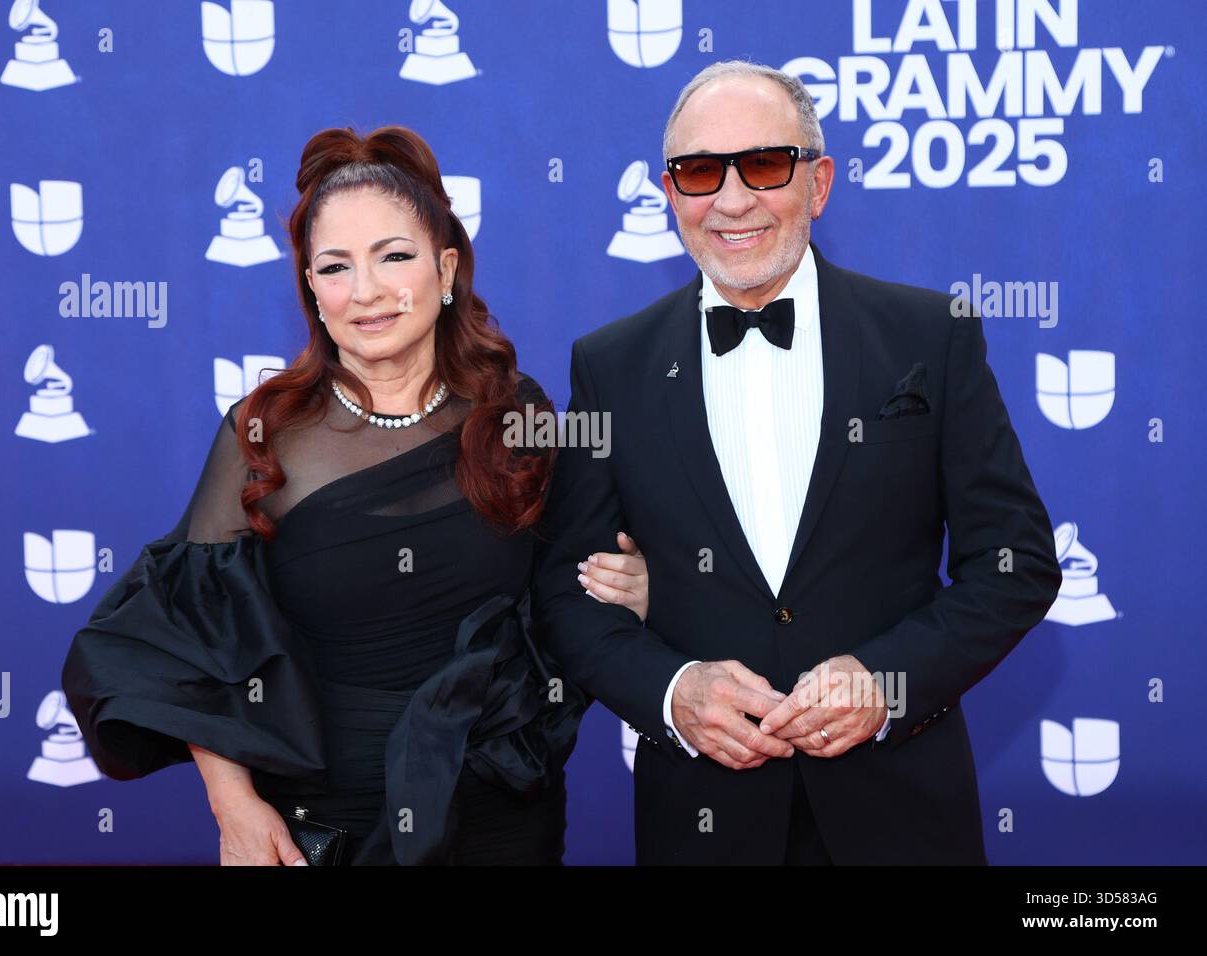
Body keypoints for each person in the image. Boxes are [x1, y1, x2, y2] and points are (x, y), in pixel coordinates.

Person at [61, 125, 650, 866]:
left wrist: (632, 586)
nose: (365, 292)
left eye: (393, 257)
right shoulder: (262, 435)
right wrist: (234, 806)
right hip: (321, 820)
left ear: (445, 269)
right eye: (335, 267)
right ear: (311, 285)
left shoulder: (518, 415)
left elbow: (567, 591)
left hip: (499, 807)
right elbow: (189, 639)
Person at [533, 60, 1063, 864]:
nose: (733, 199)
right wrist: (674, 694)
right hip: (704, 818)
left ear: (818, 184)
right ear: (669, 193)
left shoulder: (929, 337)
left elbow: (1015, 563)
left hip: (901, 812)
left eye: (766, 165)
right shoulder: (611, 366)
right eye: (701, 171)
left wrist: (885, 682)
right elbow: (566, 594)